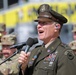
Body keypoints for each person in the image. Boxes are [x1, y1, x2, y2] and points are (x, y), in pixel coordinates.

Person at [18, 4, 76, 75]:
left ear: (56, 27)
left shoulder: (64, 54)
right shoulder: (35, 52)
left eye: (44, 23)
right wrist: (24, 68)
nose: (39, 26)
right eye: (38, 23)